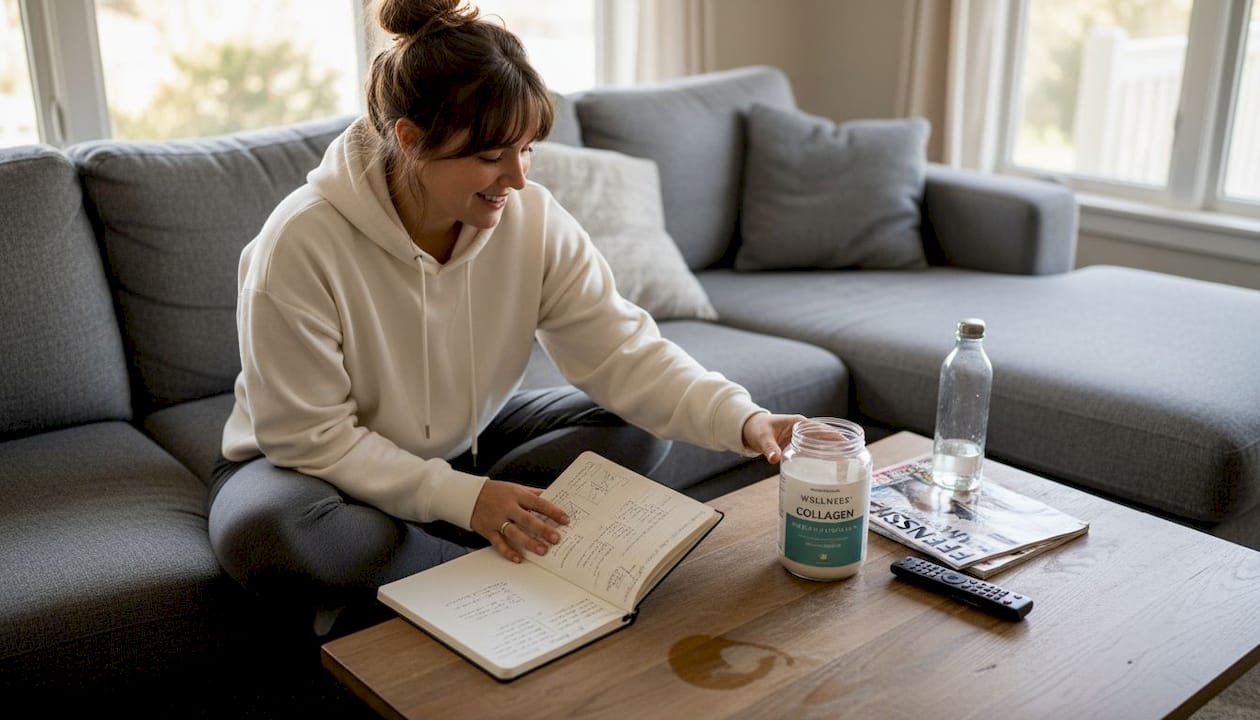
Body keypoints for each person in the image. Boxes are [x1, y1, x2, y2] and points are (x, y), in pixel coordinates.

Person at [208, 0, 803, 636]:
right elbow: (310, 437)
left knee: (633, 426)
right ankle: (488, 567)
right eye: (492, 155)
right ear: (410, 140)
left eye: (527, 150)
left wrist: (745, 420)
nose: (517, 178)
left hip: (462, 445)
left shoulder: (534, 221)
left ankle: (429, 559)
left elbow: (624, 353)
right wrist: (466, 501)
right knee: (271, 537)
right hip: (303, 468)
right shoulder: (298, 245)